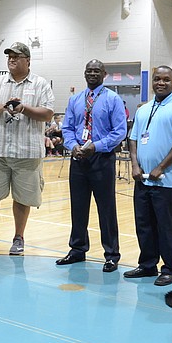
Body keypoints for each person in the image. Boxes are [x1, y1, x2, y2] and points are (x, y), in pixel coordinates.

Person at [0, 42, 54, 257]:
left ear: (28, 60)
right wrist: (3, 106)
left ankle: (18, 238)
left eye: (17, 56)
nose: (12, 59)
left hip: (27, 153)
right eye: (9, 56)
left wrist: (23, 108)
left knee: (22, 198)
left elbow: (48, 113)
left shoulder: (41, 84)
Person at [124, 66, 172, 284]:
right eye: (157, 79)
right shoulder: (144, 110)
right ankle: (147, 265)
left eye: (166, 79)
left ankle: (171, 269)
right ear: (152, 82)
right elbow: (133, 138)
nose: (161, 83)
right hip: (142, 180)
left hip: (167, 182)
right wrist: (135, 165)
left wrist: (161, 167)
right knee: (144, 225)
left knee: (167, 228)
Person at [56, 59, 127, 272]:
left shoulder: (113, 99)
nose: (92, 74)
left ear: (104, 74)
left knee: (106, 209)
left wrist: (96, 146)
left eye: (97, 71)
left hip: (101, 158)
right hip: (78, 158)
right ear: (84, 73)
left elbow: (120, 131)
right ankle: (77, 249)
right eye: (89, 70)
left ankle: (112, 254)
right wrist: (72, 146)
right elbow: (67, 127)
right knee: (78, 207)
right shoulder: (75, 100)